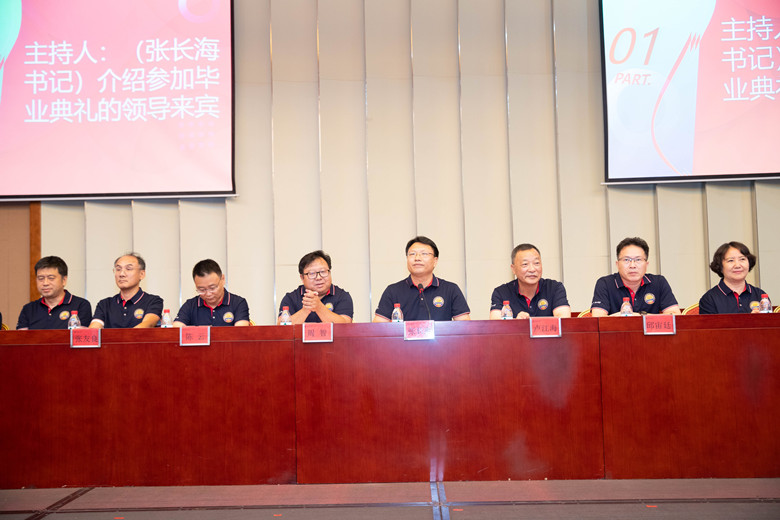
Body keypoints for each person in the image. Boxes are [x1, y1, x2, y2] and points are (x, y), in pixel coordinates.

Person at [373, 236, 470, 322]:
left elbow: (465, 326)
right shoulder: (393, 291)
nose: (417, 258)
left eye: (424, 254)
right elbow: (378, 326)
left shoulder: (450, 289)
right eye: (412, 254)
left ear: (435, 261)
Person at [591, 237, 680, 316]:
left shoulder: (659, 282)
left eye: (638, 260)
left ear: (646, 264)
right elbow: (598, 318)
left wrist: (637, 316)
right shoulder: (605, 284)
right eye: (626, 260)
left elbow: (675, 315)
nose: (632, 265)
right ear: (617, 264)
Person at [489, 244, 571, 319]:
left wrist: (528, 324)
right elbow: (495, 324)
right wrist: (516, 323)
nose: (532, 269)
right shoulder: (501, 293)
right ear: (513, 269)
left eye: (536, 263)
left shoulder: (554, 288)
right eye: (525, 264)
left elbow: (564, 320)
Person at [89, 253, 163, 328]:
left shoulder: (153, 301)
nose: (122, 274)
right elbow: (94, 329)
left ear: (141, 274)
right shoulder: (105, 304)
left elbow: (148, 324)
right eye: (118, 269)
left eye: (128, 269)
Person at [16, 256, 92, 329]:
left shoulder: (81, 305)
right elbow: (21, 336)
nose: (45, 283)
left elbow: (82, 336)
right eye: (41, 278)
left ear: (64, 280)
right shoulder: (29, 309)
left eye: (51, 278)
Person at [278, 250, 353, 324]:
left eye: (323, 272)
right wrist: (305, 310)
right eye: (312, 273)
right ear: (302, 277)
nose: (318, 278)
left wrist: (319, 307)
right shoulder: (291, 298)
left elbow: (346, 325)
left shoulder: (342, 296)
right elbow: (281, 328)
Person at [174, 259, 250, 326]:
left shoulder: (238, 303)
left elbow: (240, 332)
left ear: (223, 279)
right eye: (202, 290)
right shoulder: (190, 305)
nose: (208, 294)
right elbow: (177, 329)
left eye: (212, 288)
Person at [699, 241, 769, 314]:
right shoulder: (709, 299)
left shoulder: (760, 296)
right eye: (731, 260)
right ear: (720, 266)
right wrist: (750, 319)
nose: (737, 265)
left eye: (742, 259)